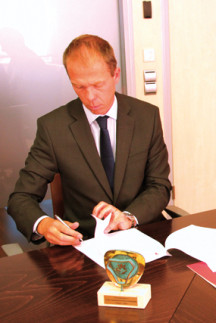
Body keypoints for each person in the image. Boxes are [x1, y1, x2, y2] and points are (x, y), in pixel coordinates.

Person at [7, 34, 171, 246]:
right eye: (79, 87)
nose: (90, 97)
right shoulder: (53, 127)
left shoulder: (146, 116)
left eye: (97, 85)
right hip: (84, 243)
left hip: (142, 235)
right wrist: (43, 224)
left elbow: (159, 186)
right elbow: (20, 197)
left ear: (116, 74)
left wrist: (129, 217)